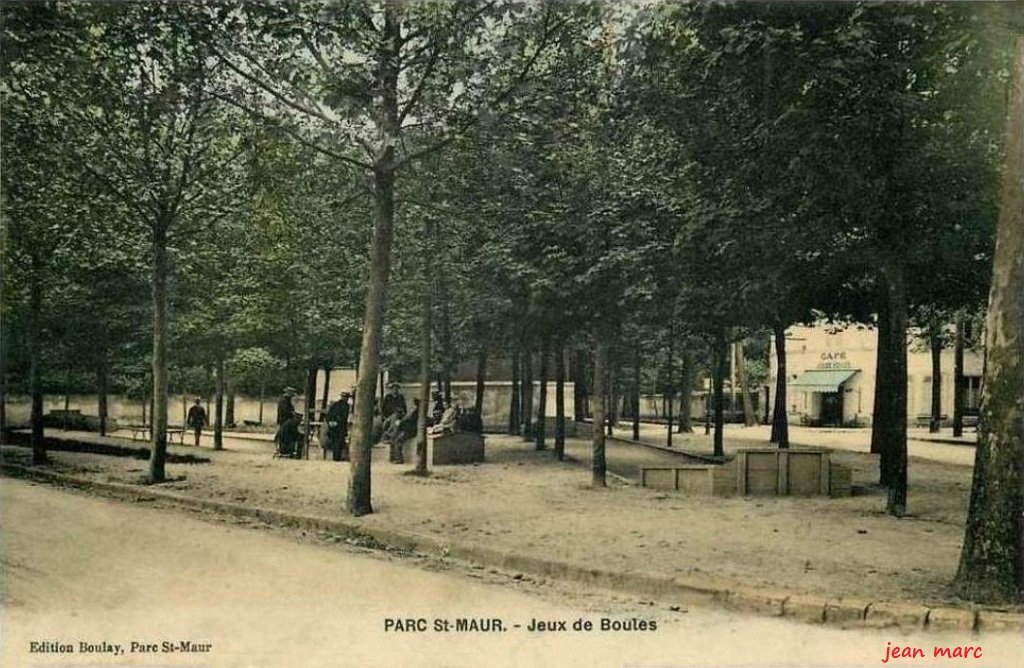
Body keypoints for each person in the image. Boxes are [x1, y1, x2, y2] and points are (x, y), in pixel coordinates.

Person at [325, 391, 351, 462]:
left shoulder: (335, 405)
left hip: (333, 426)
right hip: (340, 426)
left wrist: (330, 423)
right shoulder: (346, 406)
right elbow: (344, 417)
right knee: (339, 442)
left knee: (335, 442)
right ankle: (337, 457)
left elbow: (328, 416)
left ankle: (336, 456)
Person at [276, 387, 301, 458]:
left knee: (287, 435)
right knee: (286, 435)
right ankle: (286, 451)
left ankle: (286, 451)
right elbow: (286, 411)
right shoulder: (284, 401)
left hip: (285, 421)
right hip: (285, 421)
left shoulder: (285, 400)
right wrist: (294, 414)